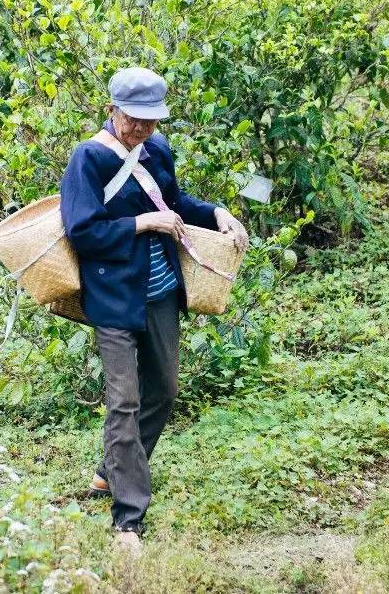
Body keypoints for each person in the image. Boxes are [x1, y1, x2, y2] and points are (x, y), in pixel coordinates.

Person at [58, 67, 248, 552]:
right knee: (123, 401)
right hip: (113, 298)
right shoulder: (88, 160)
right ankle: (128, 519)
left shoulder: (157, 149)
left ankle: (110, 472)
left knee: (164, 390)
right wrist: (142, 223)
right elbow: (82, 231)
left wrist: (216, 212)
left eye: (151, 120)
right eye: (133, 119)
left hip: (161, 291)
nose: (142, 129)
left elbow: (175, 201)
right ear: (112, 111)